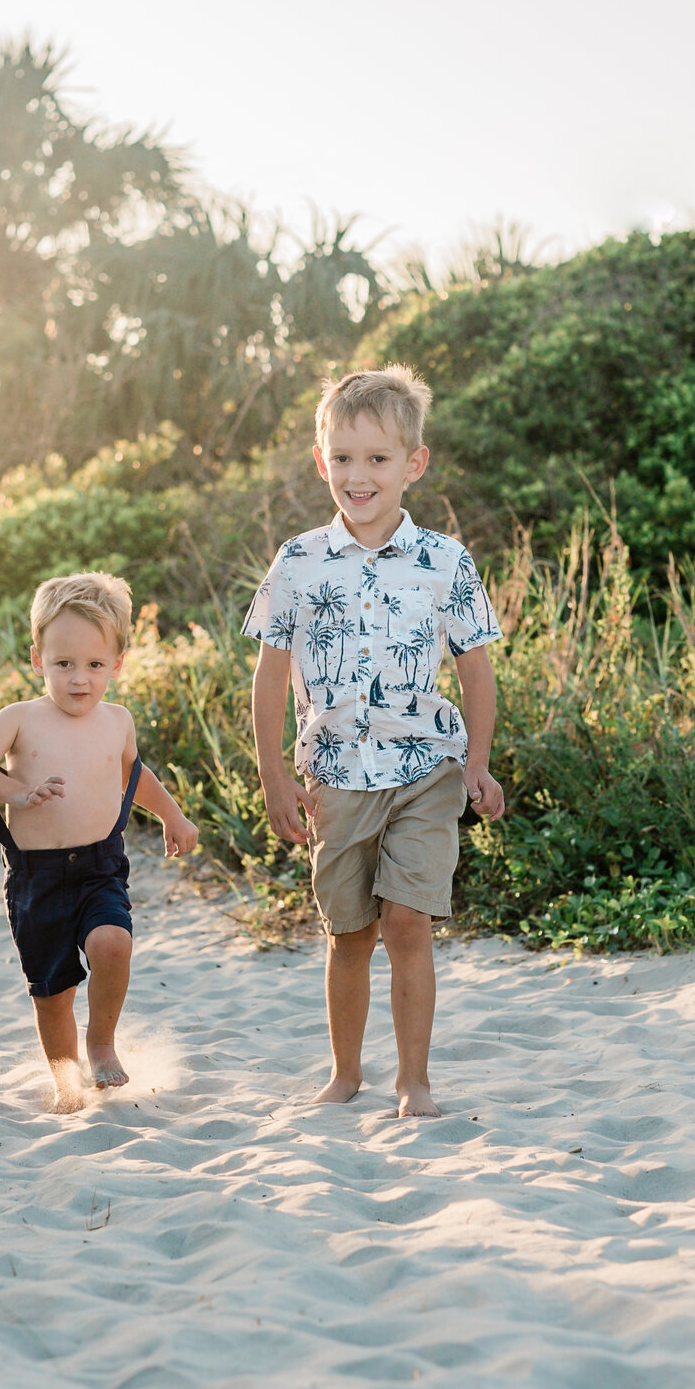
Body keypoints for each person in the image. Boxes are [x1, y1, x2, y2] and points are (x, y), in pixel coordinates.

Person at [245, 366, 505, 1118]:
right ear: (321, 461)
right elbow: (269, 677)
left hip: (426, 767)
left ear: (413, 464)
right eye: (344, 458)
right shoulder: (298, 561)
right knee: (349, 931)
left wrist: (478, 762)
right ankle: (347, 1071)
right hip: (334, 775)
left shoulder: (445, 561)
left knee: (407, 921)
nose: (359, 476)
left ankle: (413, 1081)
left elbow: (477, 668)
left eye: (378, 459)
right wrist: (272, 774)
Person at [0, 573, 200, 1113]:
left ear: (116, 664)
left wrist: (173, 816)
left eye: (94, 665)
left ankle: (102, 1042)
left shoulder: (117, 721)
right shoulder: (19, 718)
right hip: (36, 877)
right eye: (63, 663)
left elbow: (133, 775)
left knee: (113, 943)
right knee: (52, 993)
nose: (78, 679)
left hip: (99, 866)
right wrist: (17, 792)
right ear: (36, 659)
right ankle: (65, 1080)